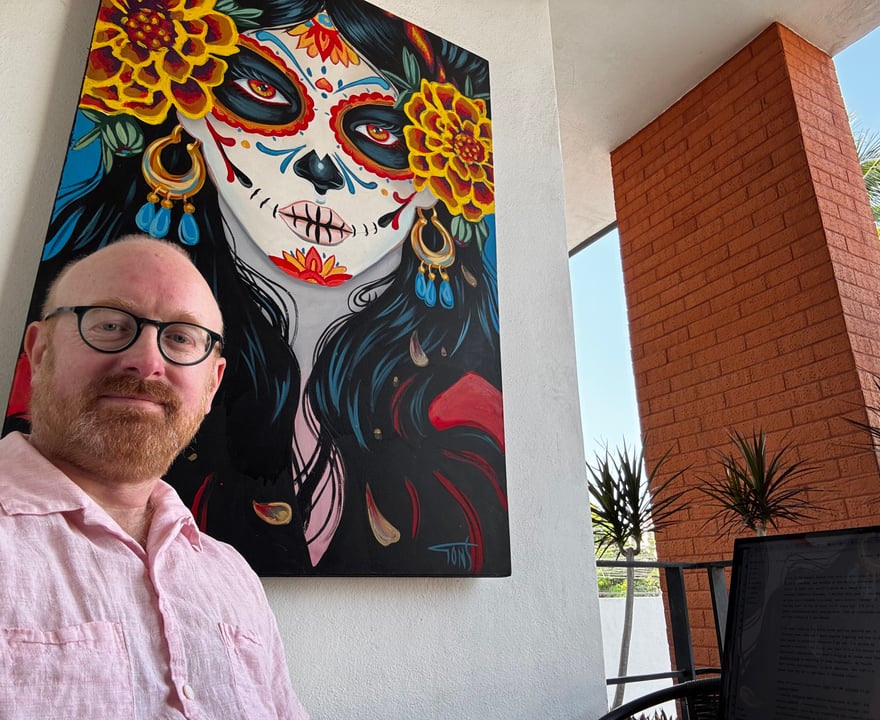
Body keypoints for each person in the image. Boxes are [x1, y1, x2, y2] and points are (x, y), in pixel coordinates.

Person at [5, 0, 509, 577]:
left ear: (432, 181)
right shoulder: (76, 363)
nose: (320, 165)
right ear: (194, 112)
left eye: (376, 131)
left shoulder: (467, 409)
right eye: (267, 95)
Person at [0, 236, 308, 719]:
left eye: (181, 337)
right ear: (39, 354)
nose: (146, 362)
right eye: (109, 324)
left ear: (212, 384)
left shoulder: (232, 577)